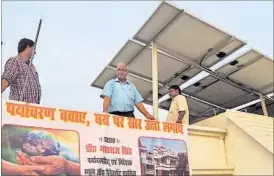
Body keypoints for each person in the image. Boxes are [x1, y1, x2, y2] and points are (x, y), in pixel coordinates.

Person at [1, 38, 41, 104]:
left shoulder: (31, 66)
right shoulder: (14, 62)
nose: (35, 52)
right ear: (28, 47)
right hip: (19, 110)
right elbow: (5, 81)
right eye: (34, 49)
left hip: (32, 110)